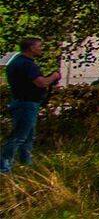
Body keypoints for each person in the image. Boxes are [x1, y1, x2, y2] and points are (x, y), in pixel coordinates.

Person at [2, 37, 60, 173]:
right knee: (19, 136)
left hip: (20, 102)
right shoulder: (27, 64)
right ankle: (3, 166)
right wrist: (54, 76)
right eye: (39, 46)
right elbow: (41, 83)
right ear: (31, 48)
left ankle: (25, 167)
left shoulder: (15, 62)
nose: (41, 49)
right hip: (27, 104)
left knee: (27, 137)